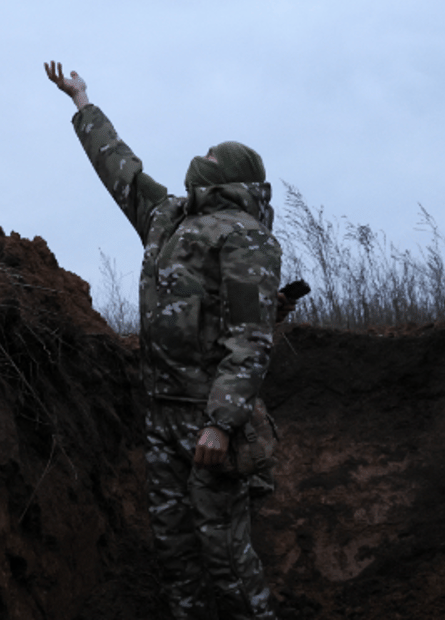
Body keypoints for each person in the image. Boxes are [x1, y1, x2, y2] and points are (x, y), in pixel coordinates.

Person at [45, 61, 281, 620]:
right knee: (175, 554)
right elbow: (121, 171)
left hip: (207, 424)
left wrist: (222, 424)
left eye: (213, 156)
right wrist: (82, 103)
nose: (201, 157)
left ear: (232, 177)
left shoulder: (246, 237)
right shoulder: (168, 219)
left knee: (225, 556)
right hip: (162, 418)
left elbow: (250, 339)